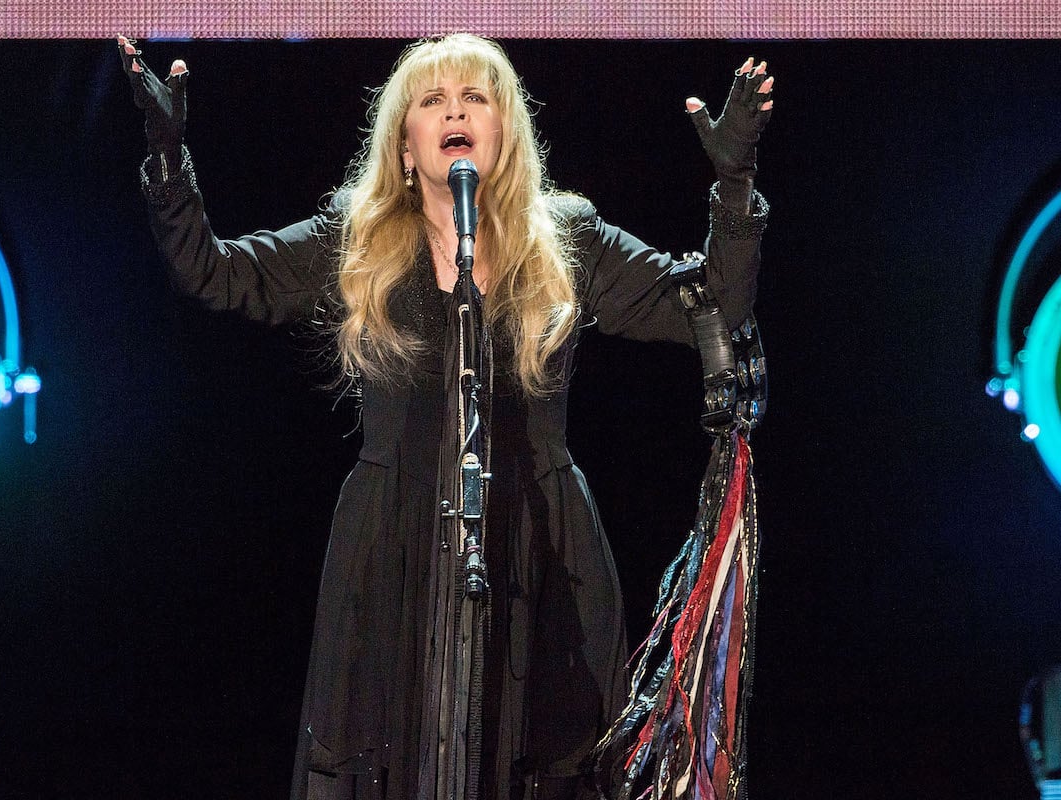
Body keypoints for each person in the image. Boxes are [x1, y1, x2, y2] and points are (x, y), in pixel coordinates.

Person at [118, 33, 773, 800]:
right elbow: (214, 273)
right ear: (404, 146)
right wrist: (168, 156)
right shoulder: (355, 237)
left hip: (541, 543)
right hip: (391, 545)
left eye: (475, 98)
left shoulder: (566, 237)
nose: (454, 111)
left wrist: (734, 182)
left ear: (505, 132)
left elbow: (715, 307)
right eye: (432, 101)